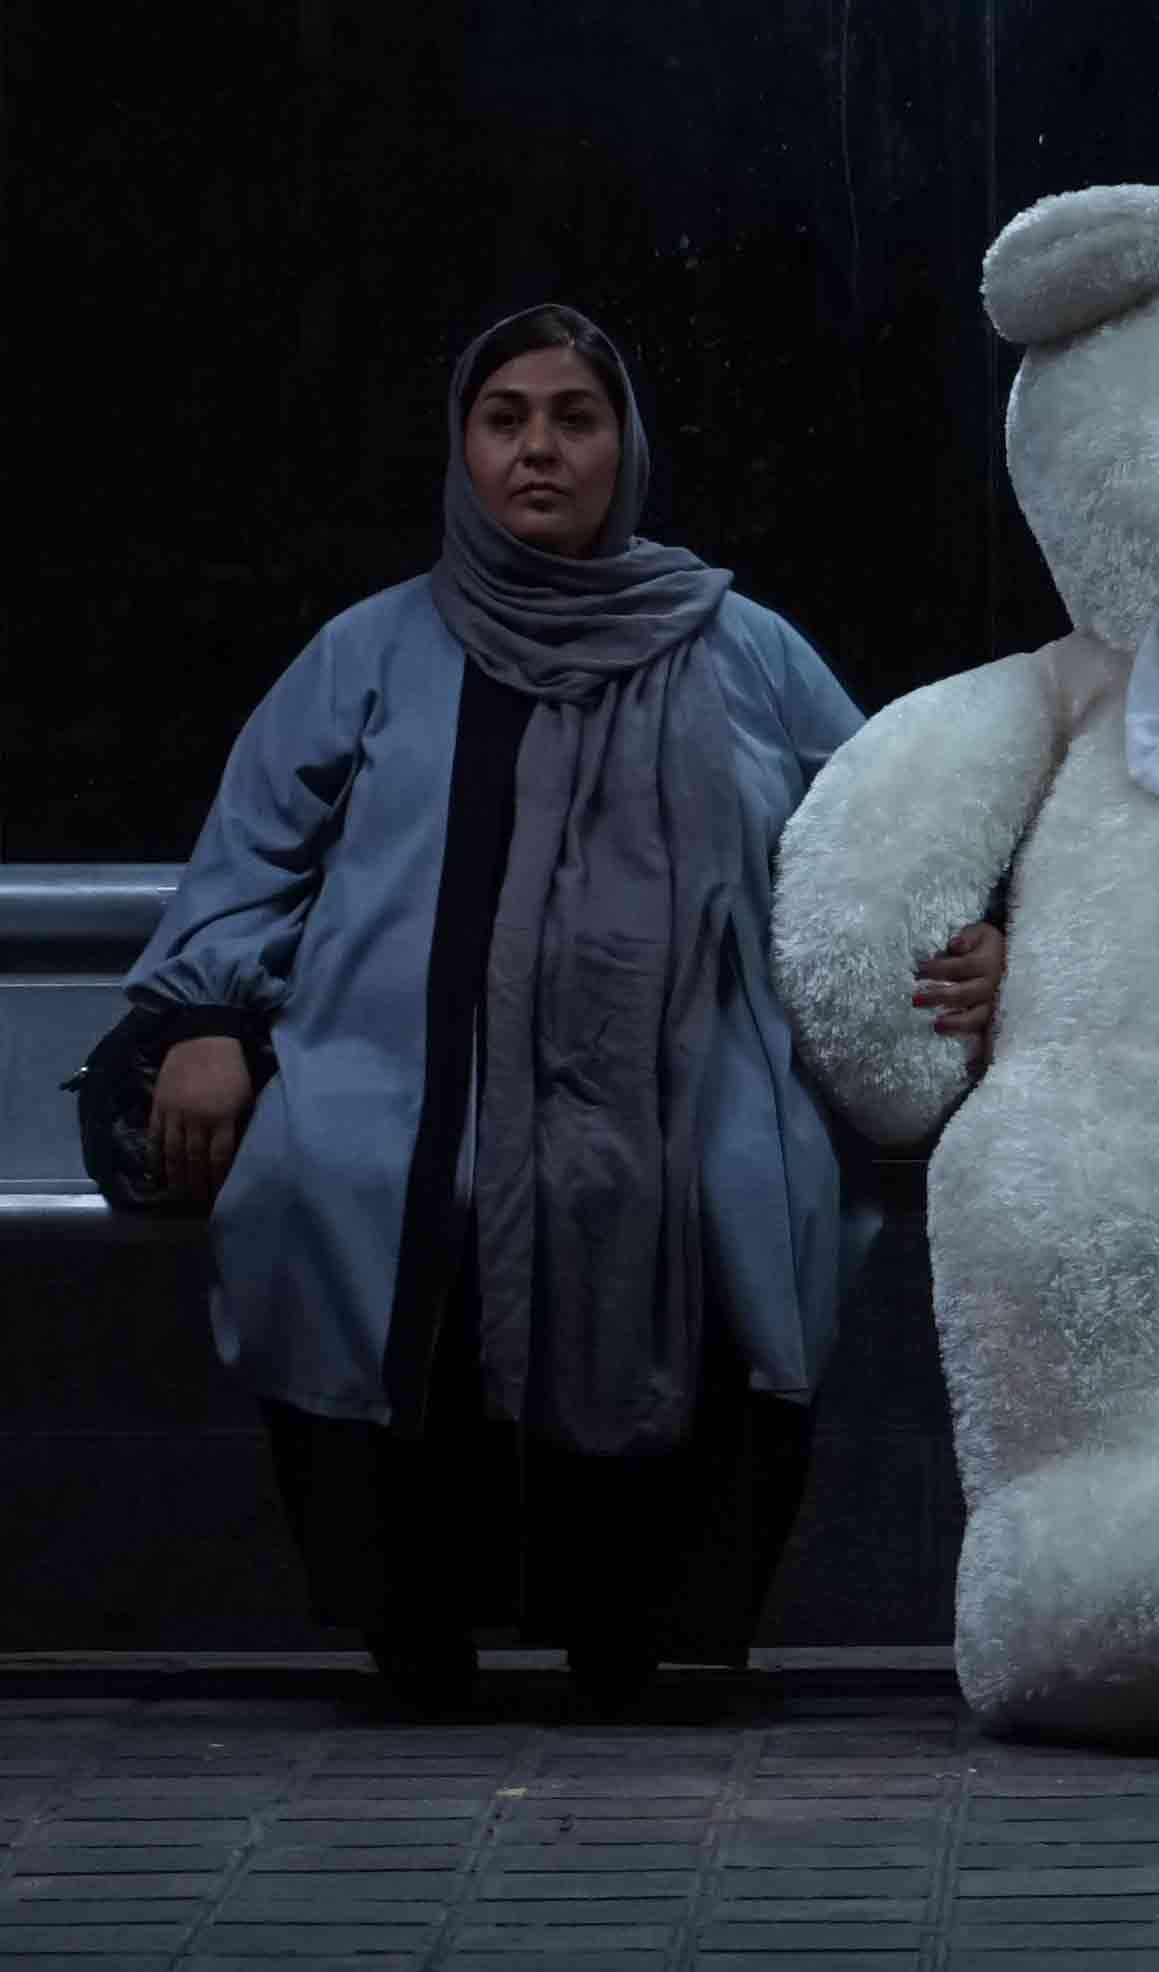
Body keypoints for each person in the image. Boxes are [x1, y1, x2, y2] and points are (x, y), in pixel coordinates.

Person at [128, 303, 1004, 1712]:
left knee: (717, 1185)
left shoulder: (742, 650)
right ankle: (416, 1633)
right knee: (356, 1184)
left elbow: (891, 837)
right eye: (505, 418)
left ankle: (641, 1637)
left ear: (624, 448)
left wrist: (986, 940)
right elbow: (248, 862)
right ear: (463, 450)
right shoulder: (368, 652)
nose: (539, 448)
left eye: (575, 418)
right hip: (401, 1066)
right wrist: (205, 1021)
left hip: (693, 1064)